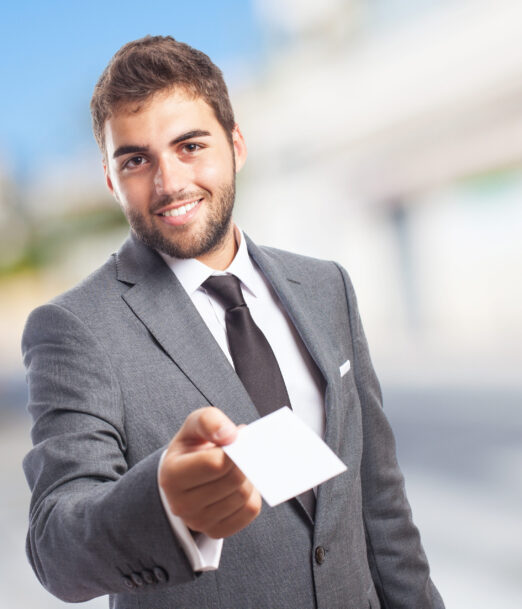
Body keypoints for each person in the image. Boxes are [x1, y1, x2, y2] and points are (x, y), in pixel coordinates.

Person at [22, 35, 445, 609]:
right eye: (136, 160)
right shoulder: (75, 327)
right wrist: (164, 504)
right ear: (110, 179)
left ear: (236, 144)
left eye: (190, 145)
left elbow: (381, 503)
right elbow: (56, 544)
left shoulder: (326, 288)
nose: (170, 183)